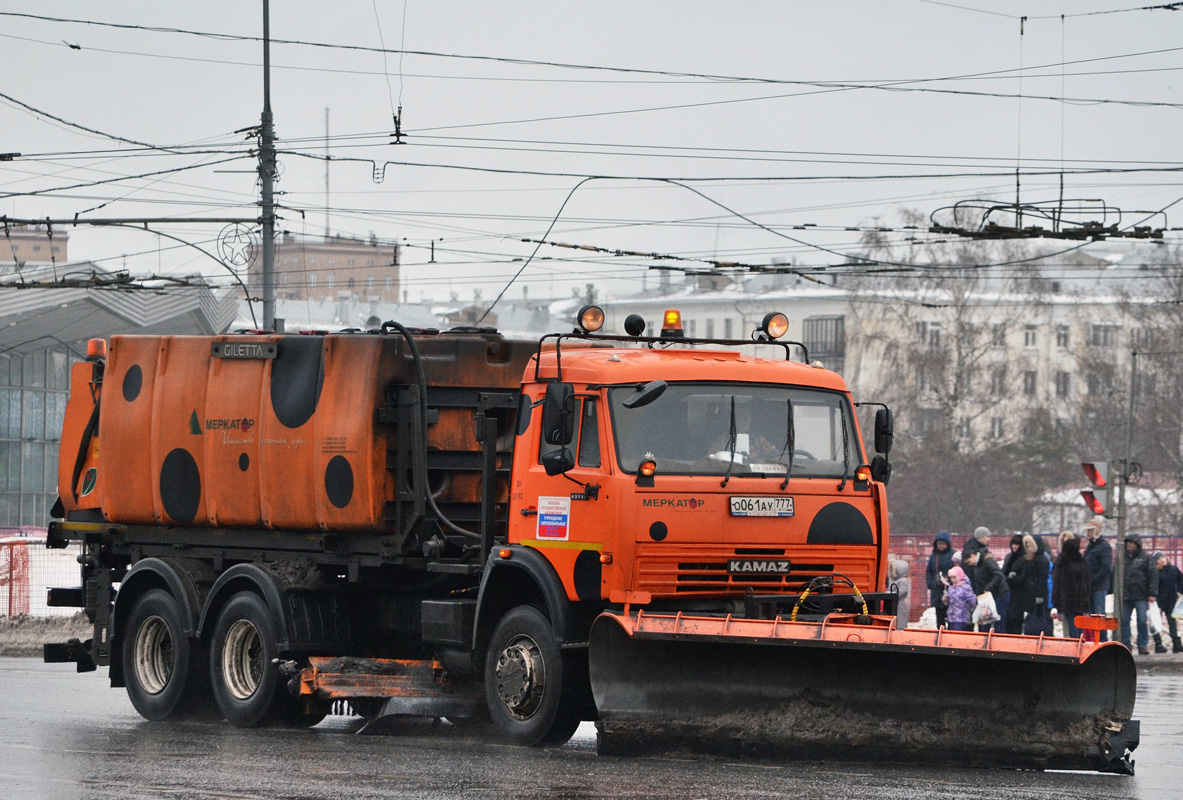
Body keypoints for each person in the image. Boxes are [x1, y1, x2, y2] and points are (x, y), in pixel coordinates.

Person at [1119, 533, 1159, 655]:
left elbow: (1153, 575)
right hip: (1126, 594)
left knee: (1142, 620)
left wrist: (1152, 593)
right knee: (1124, 620)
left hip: (1141, 594)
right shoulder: (1122, 557)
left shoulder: (1146, 557)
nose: (1129, 545)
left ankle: (1142, 645)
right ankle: (1126, 644)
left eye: (1131, 543)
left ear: (1137, 544)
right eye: (1127, 543)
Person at [1006, 534, 1049, 635]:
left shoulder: (1040, 560)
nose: (1027, 549)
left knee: (1035, 622)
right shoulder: (1030, 559)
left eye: (1029, 546)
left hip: (1035, 595)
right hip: (1030, 595)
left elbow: (1042, 579)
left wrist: (1039, 596)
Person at [1052, 533, 1091, 639]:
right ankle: (1079, 647)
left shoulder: (1062, 562)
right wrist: (1087, 604)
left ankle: (1074, 649)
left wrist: (1056, 604)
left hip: (1066, 601)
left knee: (1070, 629)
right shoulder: (1082, 561)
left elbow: (1057, 584)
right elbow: (1086, 584)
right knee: (1078, 629)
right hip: (1080, 601)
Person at [963, 545, 1008, 632]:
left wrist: (988, 588)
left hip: (999, 594)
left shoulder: (988, 561)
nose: (970, 564)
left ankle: (999, 640)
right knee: (985, 620)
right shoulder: (977, 564)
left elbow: (998, 575)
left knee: (998, 620)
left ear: (973, 555)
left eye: (969, 561)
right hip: (987, 596)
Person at [1084, 517, 1113, 641]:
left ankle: (1102, 641)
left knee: (1099, 616)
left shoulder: (1104, 546)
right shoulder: (1090, 547)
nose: (1088, 533)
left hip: (1099, 587)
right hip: (1090, 586)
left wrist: (1093, 580)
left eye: (1090, 530)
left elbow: (1106, 568)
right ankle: (1093, 640)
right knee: (1090, 617)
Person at [1153, 552, 1183, 653]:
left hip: (1172, 601)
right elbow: (1153, 586)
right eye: (1158, 559)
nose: (1161, 560)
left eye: (1162, 557)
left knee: (1172, 623)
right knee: (1156, 623)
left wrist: (1179, 591)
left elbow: (1180, 580)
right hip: (1159, 602)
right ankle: (1158, 645)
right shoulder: (1155, 572)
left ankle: (1177, 645)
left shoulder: (1173, 569)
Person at [925, 532, 955, 629]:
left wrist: (951, 580)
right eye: (939, 544)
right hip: (937, 589)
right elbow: (929, 571)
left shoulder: (953, 555)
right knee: (939, 616)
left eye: (943, 544)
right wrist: (930, 584)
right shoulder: (934, 556)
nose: (941, 546)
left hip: (950, 589)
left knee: (951, 615)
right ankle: (940, 633)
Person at [998, 534, 1024, 629]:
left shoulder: (1023, 558)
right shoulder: (1009, 557)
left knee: (1016, 620)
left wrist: (1012, 579)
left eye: (1017, 544)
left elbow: (1023, 577)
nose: (1014, 546)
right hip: (1007, 591)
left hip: (1018, 594)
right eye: (1013, 544)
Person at [943, 565, 977, 631]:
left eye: (954, 577)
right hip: (951, 618)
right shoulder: (951, 588)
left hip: (962, 618)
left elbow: (973, 602)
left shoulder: (966, 588)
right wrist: (945, 599)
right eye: (951, 578)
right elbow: (948, 603)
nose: (953, 580)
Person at [889, 558, 911, 629]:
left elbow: (902, 591)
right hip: (894, 605)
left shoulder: (902, 581)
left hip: (899, 606)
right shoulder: (895, 581)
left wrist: (890, 595)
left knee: (900, 623)